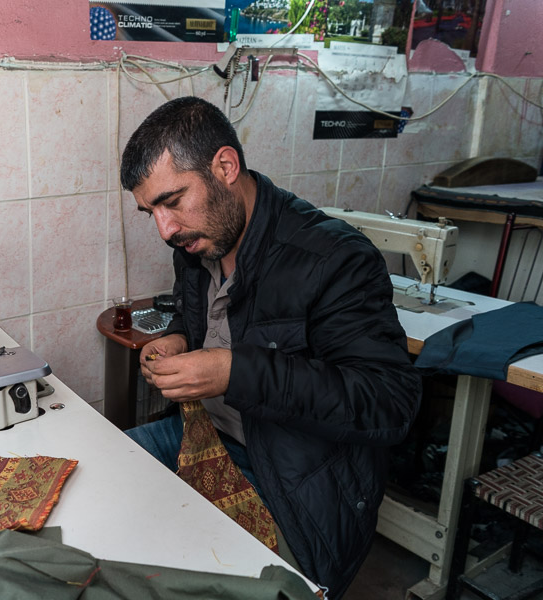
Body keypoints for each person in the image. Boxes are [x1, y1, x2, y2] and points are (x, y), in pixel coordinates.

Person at [120, 96, 422, 597]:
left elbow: (389, 403)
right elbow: (216, 324)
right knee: (95, 482)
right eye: (149, 211)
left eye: (172, 201)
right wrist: (180, 340)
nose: (165, 229)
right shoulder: (197, 244)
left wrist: (234, 373)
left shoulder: (335, 259)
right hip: (204, 436)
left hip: (297, 486)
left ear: (225, 166)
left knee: (166, 576)